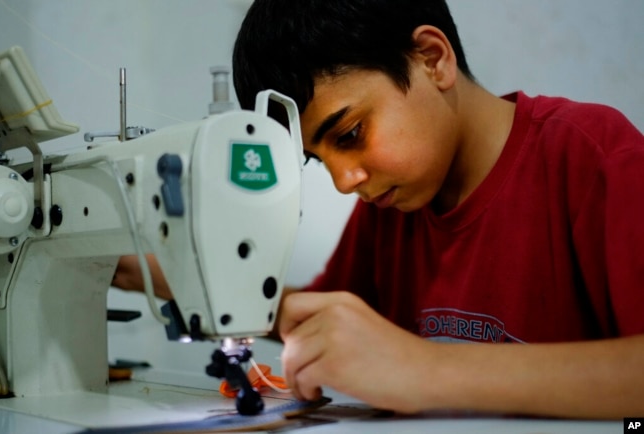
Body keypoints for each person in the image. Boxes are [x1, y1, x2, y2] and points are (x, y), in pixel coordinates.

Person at [116, 0, 644, 419]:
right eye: (319, 163)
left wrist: (429, 370)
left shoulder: (591, 157)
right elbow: (324, 320)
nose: (346, 182)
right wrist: (171, 276)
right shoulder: (393, 203)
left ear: (432, 59)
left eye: (350, 134)